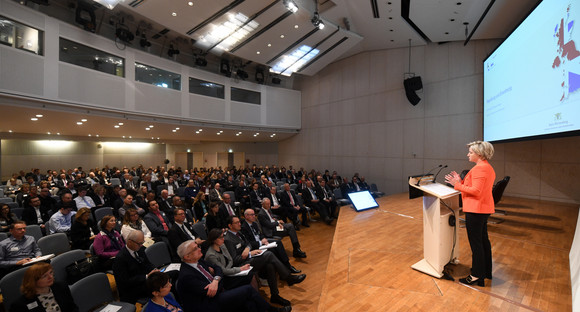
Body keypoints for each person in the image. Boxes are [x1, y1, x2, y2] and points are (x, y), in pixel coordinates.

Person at [176, 240, 290, 312]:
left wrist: (215, 280)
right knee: (248, 290)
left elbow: (218, 269)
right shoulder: (186, 275)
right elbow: (211, 292)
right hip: (208, 304)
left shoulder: (198, 261)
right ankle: (271, 310)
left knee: (249, 300)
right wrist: (217, 281)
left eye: (198, 246)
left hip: (218, 290)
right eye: (195, 249)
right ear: (187, 257)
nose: (200, 249)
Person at [445, 140, 496, 287]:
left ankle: (475, 276)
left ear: (479, 154)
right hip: (482, 209)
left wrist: (457, 184)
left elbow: (476, 191)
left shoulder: (480, 168)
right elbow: (476, 187)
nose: (468, 154)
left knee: (476, 245)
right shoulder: (487, 167)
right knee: (483, 242)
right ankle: (485, 272)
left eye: (471, 152)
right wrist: (460, 181)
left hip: (476, 209)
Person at [10, 263, 79, 312]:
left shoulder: (61, 287)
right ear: (33, 281)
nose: (50, 277)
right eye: (44, 276)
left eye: (51, 273)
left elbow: (72, 308)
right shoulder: (20, 304)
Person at [113, 230, 158, 304]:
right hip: (133, 289)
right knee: (160, 288)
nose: (141, 245)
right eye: (139, 243)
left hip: (144, 282)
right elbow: (125, 282)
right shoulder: (120, 259)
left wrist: (154, 269)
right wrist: (146, 276)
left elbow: (147, 263)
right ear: (130, 242)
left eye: (142, 243)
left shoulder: (140, 249)